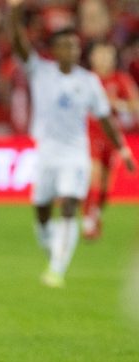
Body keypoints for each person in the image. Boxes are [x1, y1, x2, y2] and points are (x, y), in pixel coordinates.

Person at [8, 0, 135, 288]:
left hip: (75, 155)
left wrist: (123, 149)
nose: (74, 51)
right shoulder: (40, 71)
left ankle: (56, 269)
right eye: (67, 46)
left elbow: (105, 118)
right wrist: (14, 10)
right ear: (55, 50)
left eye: (77, 47)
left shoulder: (88, 81)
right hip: (46, 154)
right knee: (41, 212)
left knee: (68, 205)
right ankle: (56, 250)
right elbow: (17, 42)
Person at [83, 41, 139, 240]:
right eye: (100, 55)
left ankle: (96, 214)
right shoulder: (87, 80)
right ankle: (88, 222)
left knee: (106, 186)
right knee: (94, 174)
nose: (104, 59)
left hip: (112, 136)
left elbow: (135, 105)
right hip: (90, 133)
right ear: (92, 58)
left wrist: (118, 104)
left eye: (108, 55)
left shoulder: (120, 79)